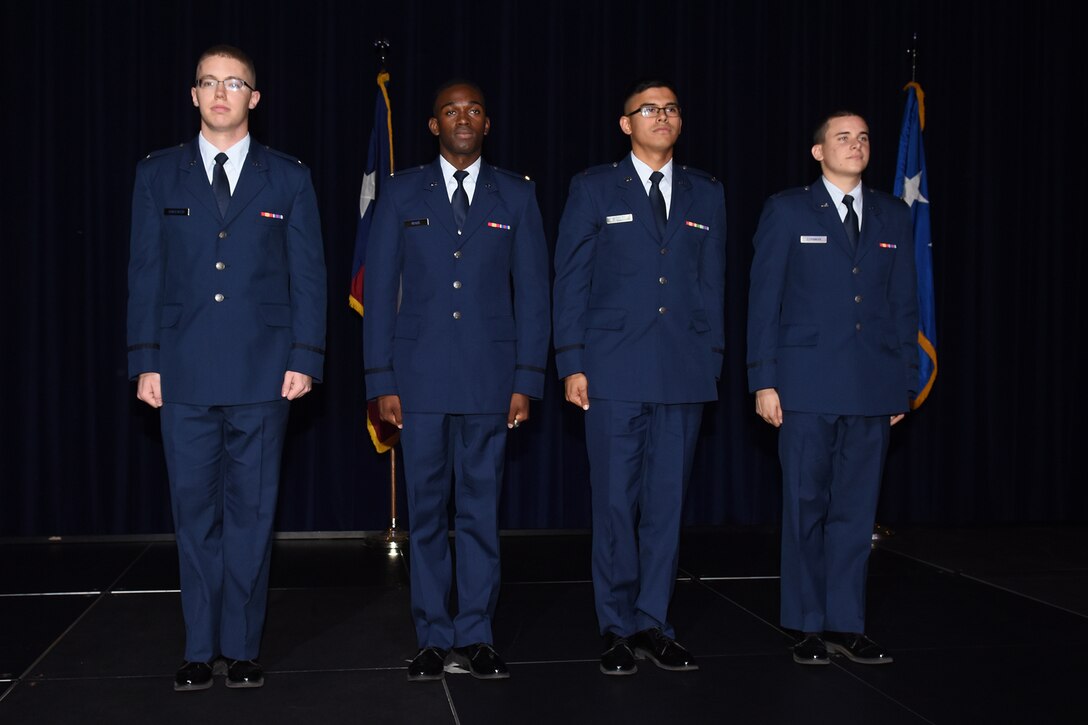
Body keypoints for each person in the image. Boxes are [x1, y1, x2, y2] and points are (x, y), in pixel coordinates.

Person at [126, 45, 327, 691]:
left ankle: (240, 647)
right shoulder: (158, 174)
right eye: (209, 82)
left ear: (254, 99)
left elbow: (309, 276)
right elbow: (145, 274)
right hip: (181, 371)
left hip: (264, 372)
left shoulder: (289, 178)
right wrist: (145, 361)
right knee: (194, 515)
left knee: (251, 514)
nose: (221, 92)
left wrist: (306, 357)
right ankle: (197, 646)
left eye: (234, 83)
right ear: (193, 95)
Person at [362, 80, 550, 682]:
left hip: (490, 383)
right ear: (432, 124)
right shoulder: (398, 194)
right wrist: (380, 380)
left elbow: (535, 298)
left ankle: (476, 632)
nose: (462, 118)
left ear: (487, 125)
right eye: (450, 110)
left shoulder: (517, 196)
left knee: (478, 512)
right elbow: (382, 296)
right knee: (426, 514)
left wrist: (526, 379)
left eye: (473, 110)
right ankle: (431, 635)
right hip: (415, 383)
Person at [552, 80, 726, 676]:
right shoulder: (594, 187)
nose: (662, 116)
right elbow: (571, 279)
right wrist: (572, 361)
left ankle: (655, 621)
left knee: (666, 506)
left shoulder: (707, 192)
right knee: (615, 505)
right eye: (649, 109)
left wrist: (714, 359)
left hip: (683, 372)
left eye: (671, 108)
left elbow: (712, 286)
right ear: (625, 123)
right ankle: (616, 625)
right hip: (612, 371)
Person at [746, 111, 918, 666]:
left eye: (864, 138)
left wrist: (903, 385)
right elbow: (764, 301)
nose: (856, 145)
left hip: (872, 388)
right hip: (804, 386)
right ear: (818, 152)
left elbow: (903, 306)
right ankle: (806, 624)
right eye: (843, 138)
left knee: (856, 511)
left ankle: (847, 622)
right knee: (805, 505)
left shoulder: (893, 214)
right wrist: (763, 379)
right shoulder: (788, 208)